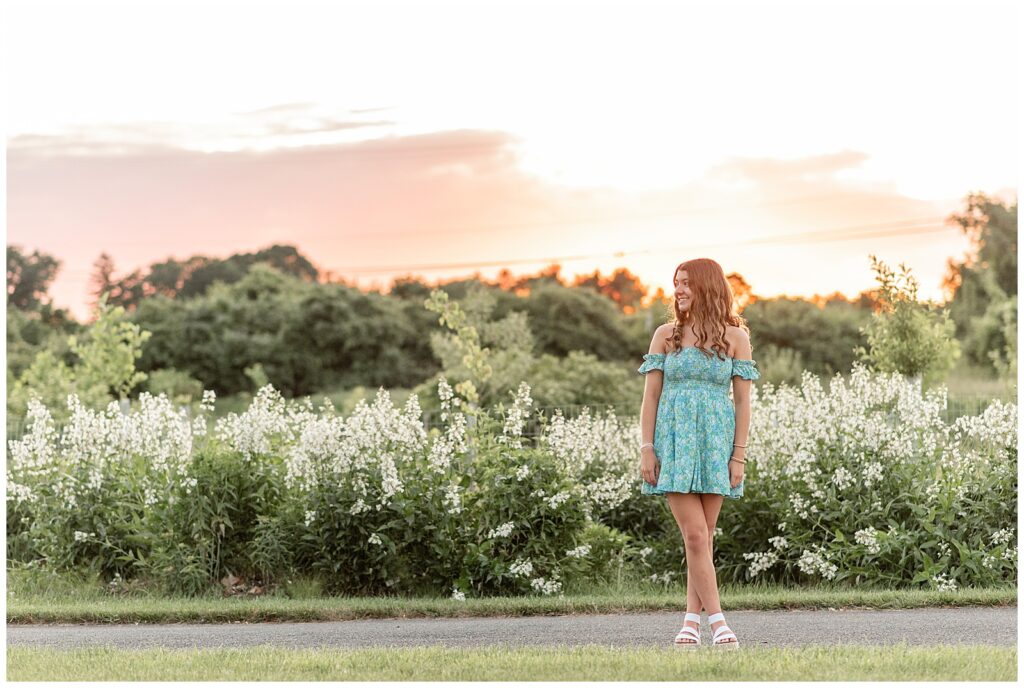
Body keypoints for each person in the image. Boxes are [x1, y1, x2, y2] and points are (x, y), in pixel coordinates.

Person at [637, 258, 760, 649]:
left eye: (687, 283)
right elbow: (651, 396)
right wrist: (647, 447)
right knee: (693, 535)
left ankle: (690, 622)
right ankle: (719, 623)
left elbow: (743, 404)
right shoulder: (665, 335)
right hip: (674, 443)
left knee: (704, 537)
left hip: (716, 445)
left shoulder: (736, 338)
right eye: (676, 283)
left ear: (707, 286)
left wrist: (738, 456)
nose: (679, 290)